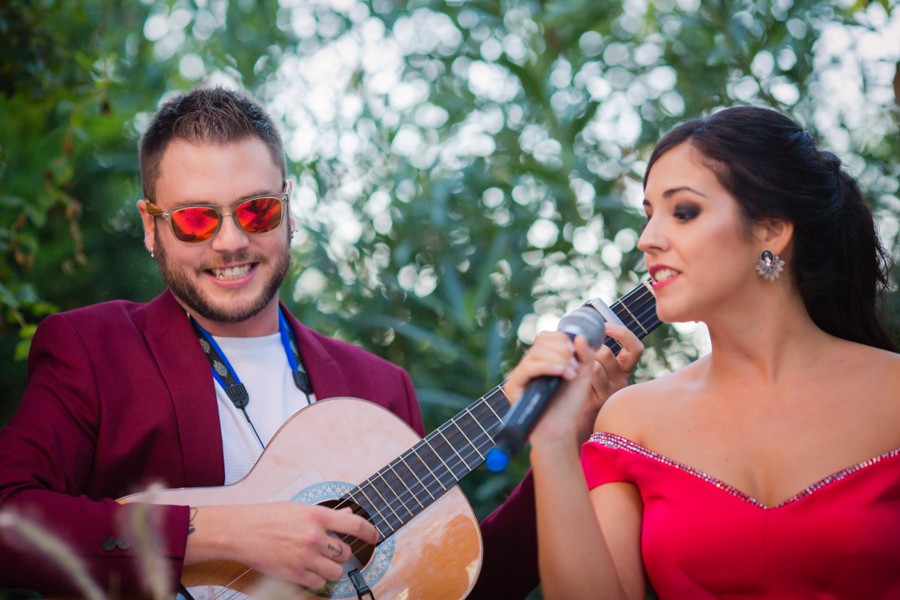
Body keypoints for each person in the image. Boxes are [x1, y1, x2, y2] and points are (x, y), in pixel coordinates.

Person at [0, 87, 644, 598]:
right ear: (151, 226)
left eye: (256, 212)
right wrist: (228, 533)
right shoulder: (94, 349)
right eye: (197, 219)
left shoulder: (377, 389)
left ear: (288, 207)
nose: (229, 241)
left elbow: (453, 582)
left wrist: (567, 439)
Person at [503, 106, 900, 599]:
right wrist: (556, 443)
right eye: (648, 216)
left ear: (773, 230)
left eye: (683, 212)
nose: (648, 240)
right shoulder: (630, 421)